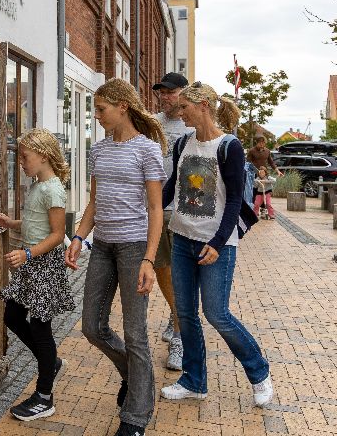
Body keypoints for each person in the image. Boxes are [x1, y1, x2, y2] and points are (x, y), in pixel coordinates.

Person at [160, 82, 273, 407]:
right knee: (186, 314)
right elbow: (172, 187)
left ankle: (259, 372)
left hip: (216, 244)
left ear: (204, 106)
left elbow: (235, 199)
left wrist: (218, 242)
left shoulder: (229, 146)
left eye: (185, 107)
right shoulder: (183, 143)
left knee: (217, 314)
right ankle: (194, 381)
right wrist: (148, 212)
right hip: (182, 238)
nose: (180, 112)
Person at [65, 78, 166, 436]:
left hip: (134, 248)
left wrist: (149, 260)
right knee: (92, 327)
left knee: (136, 334)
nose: (96, 116)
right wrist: (79, 237)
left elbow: (155, 209)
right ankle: (136, 376)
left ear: (123, 106)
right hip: (103, 247)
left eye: (101, 109)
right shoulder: (99, 150)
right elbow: (94, 201)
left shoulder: (147, 150)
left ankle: (136, 416)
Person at [0, 128, 74, 422]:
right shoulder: (38, 186)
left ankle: (45, 396)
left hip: (44, 265)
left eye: (25, 157)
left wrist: (27, 254)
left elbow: (57, 234)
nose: (22, 163)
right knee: (13, 317)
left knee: (40, 329)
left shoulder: (53, 190)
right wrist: (10, 223)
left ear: (43, 156)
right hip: (32, 265)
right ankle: (50, 362)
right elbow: (34, 223)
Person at [152, 72, 194, 372]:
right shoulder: (152, 123)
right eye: (162, 92)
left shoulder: (192, 125)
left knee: (180, 274)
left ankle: (179, 336)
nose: (165, 97)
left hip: (186, 210)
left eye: (171, 92)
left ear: (184, 94)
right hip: (157, 208)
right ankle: (175, 315)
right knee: (162, 270)